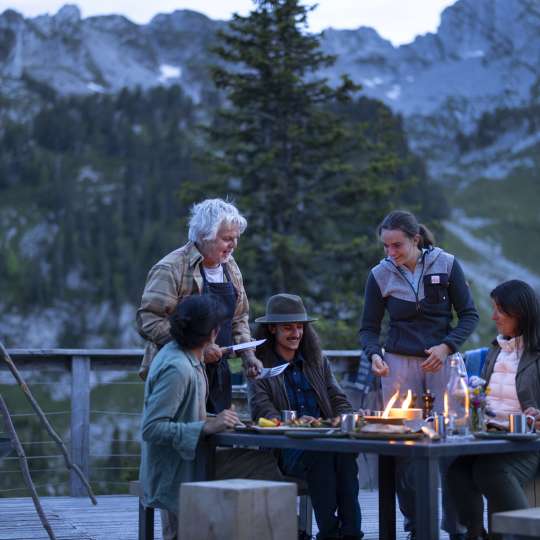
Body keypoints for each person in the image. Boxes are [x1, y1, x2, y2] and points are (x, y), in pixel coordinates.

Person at [359, 209, 479, 540]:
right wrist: (374, 355)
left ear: (415, 240)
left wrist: (447, 347)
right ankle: (415, 526)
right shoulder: (379, 275)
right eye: (386, 246)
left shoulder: (447, 264)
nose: (390, 253)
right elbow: (369, 329)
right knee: (403, 444)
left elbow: (469, 315)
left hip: (442, 359)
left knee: (453, 440)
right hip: (398, 364)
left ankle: (457, 526)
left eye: (396, 246)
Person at [140, 295, 283, 540]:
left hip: (191, 457)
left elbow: (184, 412)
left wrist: (220, 419)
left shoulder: (187, 358)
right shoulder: (177, 367)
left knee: (261, 462)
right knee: (265, 466)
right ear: (213, 333)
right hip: (174, 468)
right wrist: (205, 427)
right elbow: (152, 428)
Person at [251, 293, 364, 540]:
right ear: (272, 329)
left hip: (326, 440)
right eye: (288, 328)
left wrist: (347, 418)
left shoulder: (316, 360)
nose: (296, 333)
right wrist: (291, 422)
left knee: (345, 458)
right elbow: (262, 410)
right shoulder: (259, 365)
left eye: (300, 327)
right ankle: (330, 533)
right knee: (321, 457)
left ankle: (352, 532)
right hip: (285, 447)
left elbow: (338, 398)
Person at [136, 198, 262, 413]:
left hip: (218, 373)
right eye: (227, 239)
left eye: (236, 238)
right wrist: (198, 347)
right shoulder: (170, 267)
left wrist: (248, 355)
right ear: (204, 236)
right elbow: (148, 320)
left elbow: (239, 317)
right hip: (178, 372)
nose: (233, 245)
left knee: (217, 437)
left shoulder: (230, 266)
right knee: (183, 435)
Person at [447, 280, 540, 540]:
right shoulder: (496, 349)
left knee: (489, 471)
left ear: (519, 312)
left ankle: (528, 533)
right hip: (491, 438)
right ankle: (475, 533)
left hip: (527, 443)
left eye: (500, 309)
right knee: (456, 470)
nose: (494, 316)